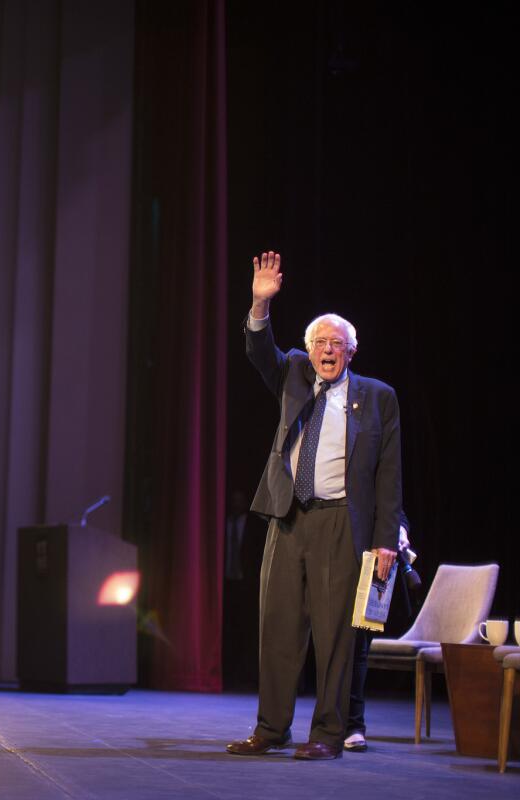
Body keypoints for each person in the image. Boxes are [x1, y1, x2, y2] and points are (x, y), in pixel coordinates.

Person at [226, 251, 402, 761]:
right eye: (320, 343)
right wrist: (260, 305)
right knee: (278, 626)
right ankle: (271, 730)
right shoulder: (295, 376)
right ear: (308, 351)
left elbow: (390, 475)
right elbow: (261, 353)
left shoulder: (378, 398)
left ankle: (327, 733)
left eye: (337, 345)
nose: (328, 351)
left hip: (342, 524)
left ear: (352, 352)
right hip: (288, 517)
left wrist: (385, 540)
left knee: (336, 636)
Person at [344, 512, 411, 751]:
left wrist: (400, 530)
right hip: (329, 553)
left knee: (358, 644)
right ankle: (328, 722)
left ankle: (353, 725)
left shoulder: (370, 473)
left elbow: (392, 505)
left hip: (366, 558)